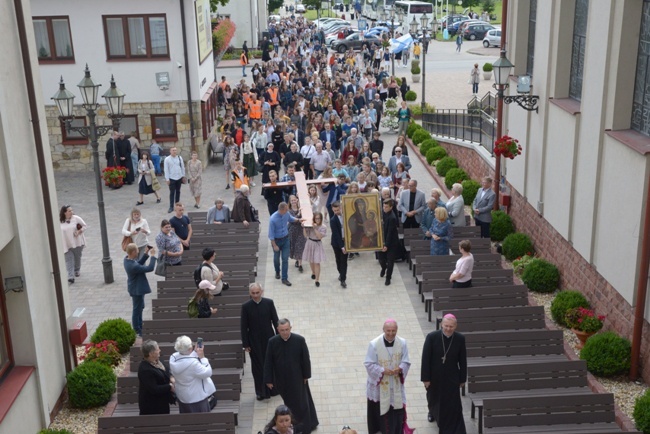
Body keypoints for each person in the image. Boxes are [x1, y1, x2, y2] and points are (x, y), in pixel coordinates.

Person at [264, 319, 319, 434]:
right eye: (282, 330)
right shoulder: (272, 342)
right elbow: (268, 361)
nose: (284, 333)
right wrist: (268, 379)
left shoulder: (299, 340)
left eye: (287, 330)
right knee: (289, 403)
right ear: (278, 330)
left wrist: (306, 375)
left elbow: (305, 359)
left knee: (302, 404)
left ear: (290, 328)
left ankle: (305, 427)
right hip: (281, 380)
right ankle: (291, 426)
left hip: (298, 378)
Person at [421, 314, 467, 432]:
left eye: (451, 326)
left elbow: (463, 360)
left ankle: (449, 423)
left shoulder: (460, 339)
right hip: (434, 375)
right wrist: (426, 378)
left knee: (451, 402)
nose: (448, 329)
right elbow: (425, 358)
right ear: (442, 324)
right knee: (433, 398)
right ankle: (432, 412)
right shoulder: (432, 337)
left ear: (455, 326)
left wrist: (462, 379)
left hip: (452, 376)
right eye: (446, 326)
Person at [364, 319, 411, 434]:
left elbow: (406, 361)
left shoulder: (402, 343)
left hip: (395, 384)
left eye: (393, 331)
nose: (391, 333)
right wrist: (382, 370)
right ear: (383, 330)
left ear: (397, 330)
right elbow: (368, 364)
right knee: (380, 416)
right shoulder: (374, 344)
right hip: (379, 387)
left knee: (394, 414)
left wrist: (400, 368)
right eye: (388, 330)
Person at [241, 282, 279, 401]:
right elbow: (243, 326)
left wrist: (278, 338)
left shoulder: (269, 303)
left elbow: (275, 321)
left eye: (257, 293)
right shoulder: (246, 306)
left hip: (269, 339)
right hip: (254, 341)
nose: (256, 295)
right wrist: (246, 344)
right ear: (249, 293)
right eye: (253, 293)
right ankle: (261, 391)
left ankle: (274, 389)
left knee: (271, 364)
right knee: (258, 367)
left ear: (261, 292)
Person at [169, 335, 216, 413]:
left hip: (183, 397)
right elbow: (208, 372)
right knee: (201, 422)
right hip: (197, 399)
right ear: (190, 348)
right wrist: (202, 357)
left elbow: (186, 358)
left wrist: (195, 352)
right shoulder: (193, 364)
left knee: (187, 422)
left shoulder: (173, 358)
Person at [124, 243, 157, 336]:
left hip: (136, 288)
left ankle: (140, 324)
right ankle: (137, 329)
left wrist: (146, 253)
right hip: (136, 289)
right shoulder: (133, 266)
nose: (138, 252)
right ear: (133, 252)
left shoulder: (127, 259)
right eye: (137, 250)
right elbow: (150, 268)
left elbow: (138, 263)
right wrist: (153, 256)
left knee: (140, 307)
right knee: (137, 309)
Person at [138, 339, 175, 415]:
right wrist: (169, 386)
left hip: (163, 401)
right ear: (151, 353)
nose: (160, 350)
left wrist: (171, 377)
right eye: (158, 349)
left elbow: (166, 369)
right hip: (152, 406)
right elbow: (154, 389)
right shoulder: (145, 370)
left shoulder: (158, 360)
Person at [269, 202, 302, 286]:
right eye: (286, 209)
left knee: (285, 259)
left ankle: (284, 278)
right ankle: (277, 271)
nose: (288, 210)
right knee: (276, 259)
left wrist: (298, 220)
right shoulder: (273, 219)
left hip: (286, 239)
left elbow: (291, 218)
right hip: (276, 241)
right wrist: (274, 245)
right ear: (282, 209)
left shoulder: (286, 214)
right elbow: (271, 234)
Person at [59, 205, 87, 284]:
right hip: (66, 243)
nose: (71, 212)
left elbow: (85, 226)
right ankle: (70, 276)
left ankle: (77, 270)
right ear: (64, 213)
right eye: (69, 211)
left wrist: (78, 232)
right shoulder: (59, 221)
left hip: (77, 242)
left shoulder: (76, 218)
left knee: (77, 257)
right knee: (68, 260)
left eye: (72, 210)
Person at [302, 212, 327, 287]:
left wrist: (315, 228)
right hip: (310, 243)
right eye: (316, 218)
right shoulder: (310, 225)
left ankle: (317, 279)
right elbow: (305, 235)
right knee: (311, 260)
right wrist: (304, 227)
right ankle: (313, 272)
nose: (317, 220)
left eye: (319, 218)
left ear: (321, 219)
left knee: (317, 262)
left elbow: (319, 237)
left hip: (317, 244)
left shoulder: (323, 227)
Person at [379, 199, 400, 286]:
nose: (384, 208)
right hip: (382, 240)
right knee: (381, 259)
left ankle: (388, 278)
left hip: (391, 242)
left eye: (386, 207)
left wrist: (386, 245)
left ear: (391, 207)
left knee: (390, 261)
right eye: (383, 206)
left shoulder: (392, 218)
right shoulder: (382, 213)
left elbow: (390, 233)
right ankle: (384, 268)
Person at [329, 201, 348, 288]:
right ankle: (341, 273)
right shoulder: (333, 220)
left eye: (338, 210)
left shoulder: (346, 216)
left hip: (346, 241)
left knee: (344, 261)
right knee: (338, 260)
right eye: (335, 210)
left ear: (341, 208)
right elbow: (336, 234)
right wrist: (341, 246)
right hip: (336, 243)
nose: (337, 212)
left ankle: (343, 279)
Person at [287, 195, 307, 273]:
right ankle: (297, 260)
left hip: (301, 230)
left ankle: (300, 265)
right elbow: (292, 220)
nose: (293, 201)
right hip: (293, 231)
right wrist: (299, 214)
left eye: (294, 200)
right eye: (292, 200)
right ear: (290, 202)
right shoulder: (289, 211)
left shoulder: (301, 209)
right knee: (294, 246)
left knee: (300, 246)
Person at [164, 147, 186, 213]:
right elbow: (166, 169)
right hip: (171, 177)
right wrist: (167, 179)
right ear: (170, 151)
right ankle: (171, 206)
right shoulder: (167, 159)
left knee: (178, 191)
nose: (174, 151)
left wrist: (183, 176)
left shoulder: (179, 158)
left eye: (175, 150)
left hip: (179, 177)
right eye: (173, 150)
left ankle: (177, 205)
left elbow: (182, 167)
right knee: (172, 192)